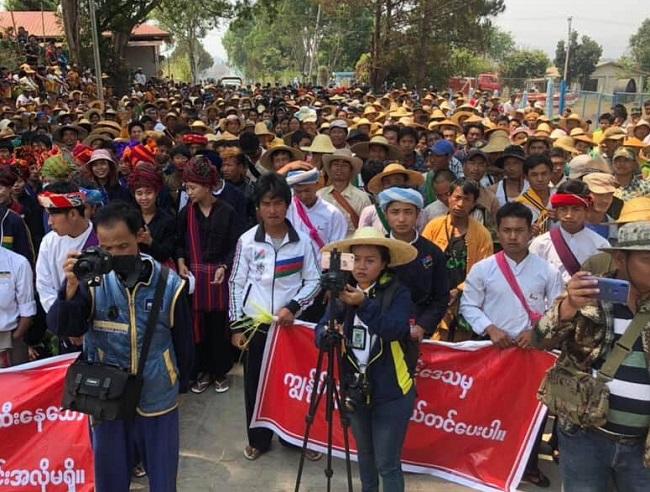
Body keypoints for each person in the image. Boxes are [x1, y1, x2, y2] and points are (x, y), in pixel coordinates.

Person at [46, 201, 193, 492]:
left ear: (140, 236)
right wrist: (71, 287)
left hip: (157, 396)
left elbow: (184, 342)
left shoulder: (169, 283)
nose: (114, 255)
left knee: (163, 480)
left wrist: (180, 381)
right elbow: (63, 327)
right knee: (110, 479)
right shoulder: (92, 281)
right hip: (105, 397)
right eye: (107, 248)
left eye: (123, 247)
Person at [535, 221, 650, 492]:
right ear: (620, 259)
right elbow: (540, 340)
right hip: (584, 440)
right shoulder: (589, 298)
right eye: (647, 259)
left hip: (642, 450)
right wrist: (567, 307)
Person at [460, 202, 563, 487]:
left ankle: (528, 466)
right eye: (507, 231)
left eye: (519, 230)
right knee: (489, 408)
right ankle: (486, 461)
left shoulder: (547, 271)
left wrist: (537, 332)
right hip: (492, 351)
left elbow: (557, 309)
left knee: (531, 412)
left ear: (531, 232)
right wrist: (489, 328)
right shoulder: (483, 269)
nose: (513, 237)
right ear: (498, 232)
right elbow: (468, 306)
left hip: (531, 354)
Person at [317, 227, 418, 492]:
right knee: (365, 458)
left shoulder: (398, 293)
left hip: (392, 392)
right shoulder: (341, 290)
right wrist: (325, 337)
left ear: (384, 264)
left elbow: (395, 329)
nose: (361, 266)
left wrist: (363, 304)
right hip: (355, 390)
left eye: (370, 260)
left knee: (387, 463)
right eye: (356, 259)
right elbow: (323, 326)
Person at [229, 173, 320, 461]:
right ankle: (258, 440)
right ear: (258, 207)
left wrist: (293, 307)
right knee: (255, 386)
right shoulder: (247, 241)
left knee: (292, 384)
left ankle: (294, 438)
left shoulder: (303, 242)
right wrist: (236, 325)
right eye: (266, 204)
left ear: (287, 204)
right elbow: (236, 283)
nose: (272, 210)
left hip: (290, 328)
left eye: (278, 203)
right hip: (256, 326)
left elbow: (314, 281)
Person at [177, 156, 239, 394]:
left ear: (207, 185)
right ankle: (202, 371)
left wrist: (226, 265)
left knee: (218, 327)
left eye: (193, 187)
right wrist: (182, 262)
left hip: (219, 279)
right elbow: (179, 241)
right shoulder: (186, 213)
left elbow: (236, 244)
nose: (189, 192)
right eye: (187, 187)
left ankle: (219, 371)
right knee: (197, 327)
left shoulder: (227, 211)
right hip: (195, 278)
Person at [422, 179, 493, 341]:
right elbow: (422, 259)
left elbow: (484, 270)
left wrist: (458, 290)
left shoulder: (482, 234)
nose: (460, 204)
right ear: (448, 197)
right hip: (435, 298)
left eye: (466, 199)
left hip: (467, 299)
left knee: (462, 347)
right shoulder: (434, 226)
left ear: (474, 203)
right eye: (457, 197)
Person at [378, 187, 449, 339]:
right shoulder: (377, 250)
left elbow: (441, 296)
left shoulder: (432, 252)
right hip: (379, 326)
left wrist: (423, 325)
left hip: (416, 330)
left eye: (408, 212)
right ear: (386, 215)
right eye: (395, 212)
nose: (402, 219)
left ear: (418, 215)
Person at [530, 179, 610, 283]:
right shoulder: (541, 244)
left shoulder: (601, 245)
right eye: (563, 209)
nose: (569, 215)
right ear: (556, 211)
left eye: (576, 209)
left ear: (586, 211)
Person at [286, 168, 347, 254]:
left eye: (307, 190)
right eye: (298, 192)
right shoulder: (287, 210)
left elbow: (337, 248)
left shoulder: (333, 214)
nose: (303, 196)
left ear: (316, 185)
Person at [128, 162, 176, 265]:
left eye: (149, 193)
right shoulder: (129, 217)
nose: (144, 198)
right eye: (139, 193)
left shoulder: (167, 220)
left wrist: (150, 242)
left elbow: (166, 254)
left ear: (157, 192)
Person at [318, 149, 370, 236]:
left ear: (351, 170)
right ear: (330, 169)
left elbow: (367, 229)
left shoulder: (362, 198)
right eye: (336, 164)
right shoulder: (319, 195)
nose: (339, 168)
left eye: (344, 165)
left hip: (350, 247)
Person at [0, 243, 36, 367]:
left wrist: (14, 339)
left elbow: (27, 310)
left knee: (14, 384)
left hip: (10, 341)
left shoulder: (18, 263)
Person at [516, 154, 554, 236]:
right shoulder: (519, 204)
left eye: (544, 174)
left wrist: (561, 218)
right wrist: (527, 233)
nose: (540, 179)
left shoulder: (559, 198)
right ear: (526, 177)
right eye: (534, 175)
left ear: (551, 174)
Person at [583, 172, 617, 241]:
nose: (605, 200)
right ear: (586, 194)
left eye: (609, 195)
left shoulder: (616, 228)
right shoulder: (570, 225)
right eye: (599, 194)